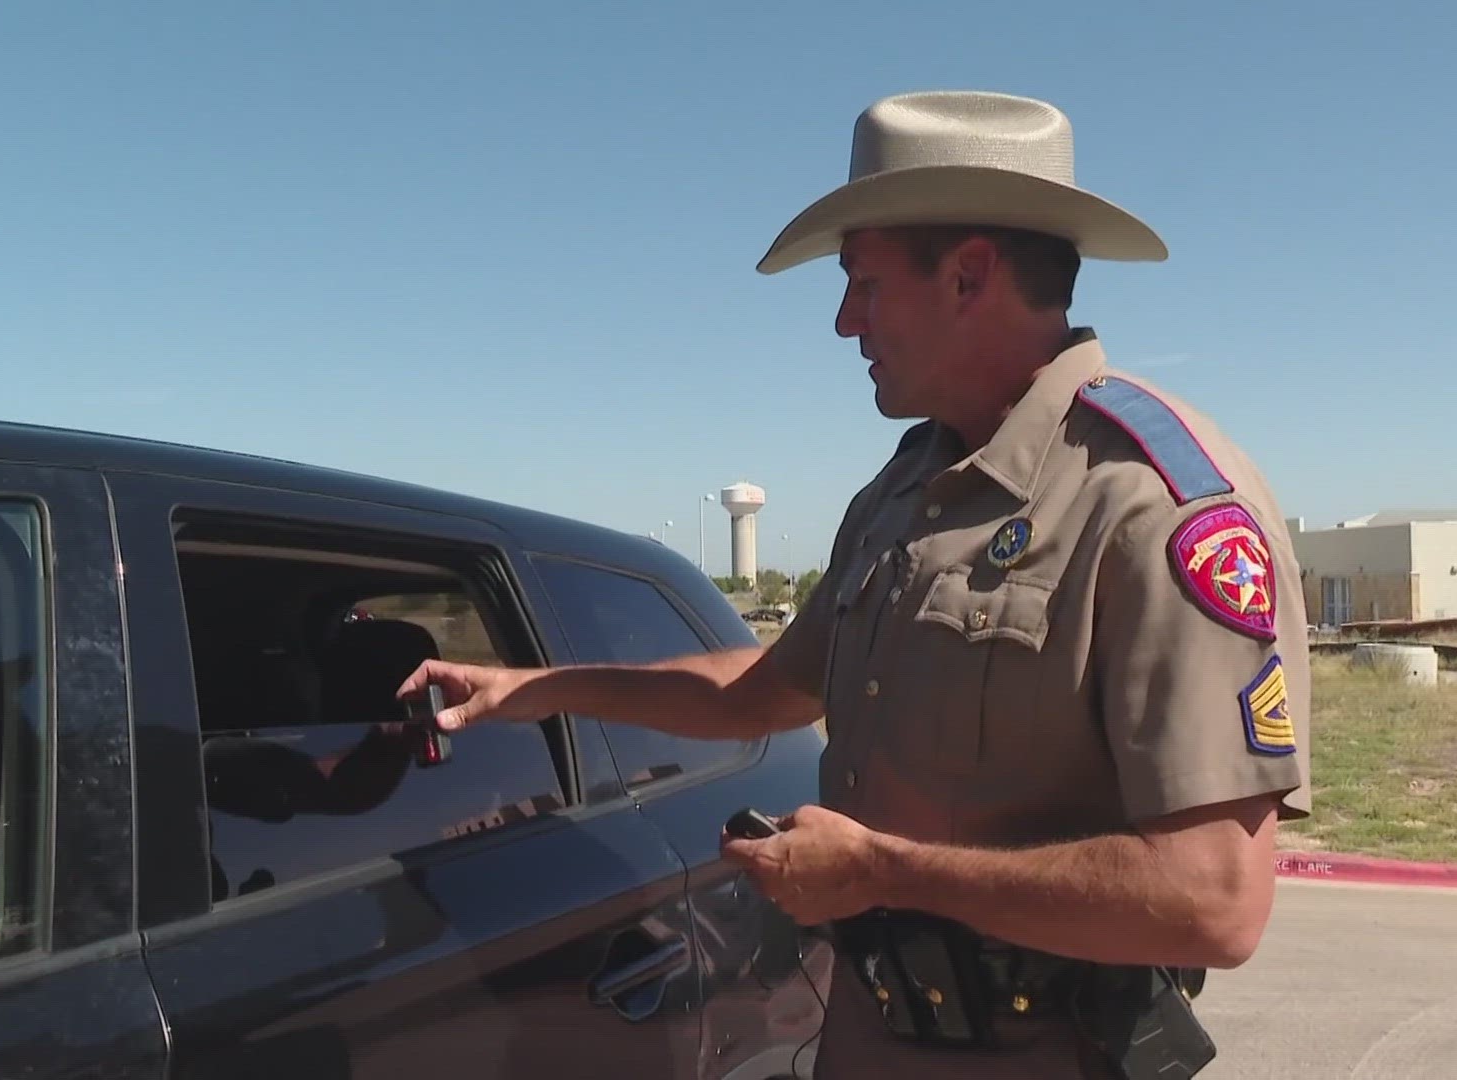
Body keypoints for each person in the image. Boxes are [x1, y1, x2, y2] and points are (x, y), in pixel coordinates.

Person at [399, 90, 1310, 1078]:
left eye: (863, 283)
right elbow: (762, 690)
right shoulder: (907, 490)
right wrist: (530, 690)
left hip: (1044, 1048)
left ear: (967, 276)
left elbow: (1214, 901)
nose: (843, 322)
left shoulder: (1150, 503)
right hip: (871, 1027)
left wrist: (881, 871)